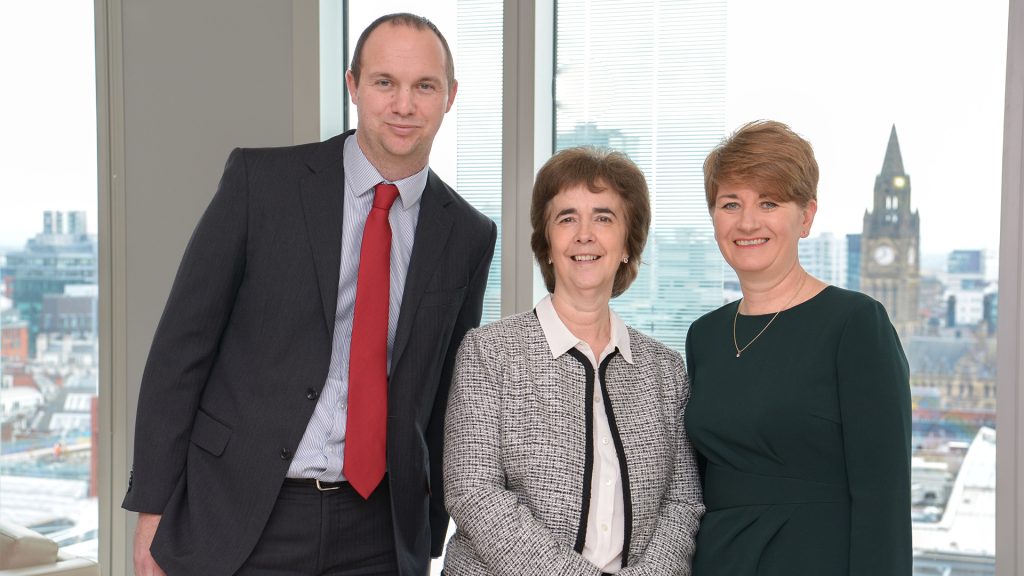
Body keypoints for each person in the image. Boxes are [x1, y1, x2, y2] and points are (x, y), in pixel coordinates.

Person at [122, 13, 496, 576]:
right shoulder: (261, 184)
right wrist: (154, 510)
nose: (404, 105)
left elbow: (447, 394)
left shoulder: (468, 234)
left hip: (380, 531)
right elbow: (181, 352)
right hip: (241, 511)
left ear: (450, 97)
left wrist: (427, 529)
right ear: (353, 86)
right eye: (385, 82)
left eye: (424, 86)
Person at [443, 147, 704, 575]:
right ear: (547, 245)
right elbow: (472, 491)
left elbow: (682, 503)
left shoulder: (666, 371)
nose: (585, 235)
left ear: (628, 244)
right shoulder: (489, 353)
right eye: (567, 218)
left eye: (604, 218)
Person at [685, 120, 912, 575]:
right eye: (731, 203)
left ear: (806, 217)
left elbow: (884, 504)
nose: (747, 222)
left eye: (768, 202)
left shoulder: (856, 325)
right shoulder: (704, 335)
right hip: (718, 562)